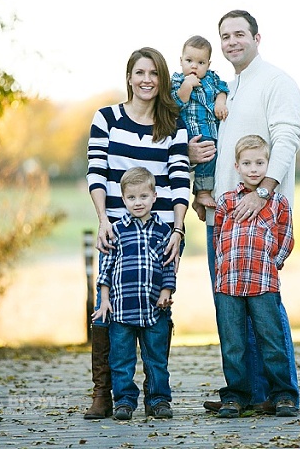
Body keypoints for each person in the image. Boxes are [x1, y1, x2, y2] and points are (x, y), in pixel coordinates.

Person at [189, 10, 300, 414]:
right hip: (223, 215)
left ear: (257, 38)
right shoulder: (229, 88)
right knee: (231, 312)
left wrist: (264, 191)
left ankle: (283, 392)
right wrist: (202, 191)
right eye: (225, 36)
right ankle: (250, 393)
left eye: (240, 34)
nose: (232, 42)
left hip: (260, 213)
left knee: (265, 308)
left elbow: (287, 138)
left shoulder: (276, 82)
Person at [85, 47, 190, 420]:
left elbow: (180, 178)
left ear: (162, 79)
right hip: (117, 229)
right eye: (140, 72)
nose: (147, 80)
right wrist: (103, 220)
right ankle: (105, 393)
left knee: (159, 309)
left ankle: (156, 396)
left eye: (154, 73)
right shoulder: (107, 118)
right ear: (129, 77)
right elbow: (96, 171)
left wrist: (178, 230)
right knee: (108, 309)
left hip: (162, 233)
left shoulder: (172, 123)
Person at [213, 135, 298, 418]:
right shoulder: (226, 202)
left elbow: (286, 237)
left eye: (260, 163)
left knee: (271, 340)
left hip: (263, 283)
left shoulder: (278, 203)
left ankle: (283, 395)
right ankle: (236, 396)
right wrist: (222, 267)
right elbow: (218, 238)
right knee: (233, 344)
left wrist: (273, 264)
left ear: (268, 165)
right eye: (247, 163)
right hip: (229, 283)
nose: (253, 169)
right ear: (237, 166)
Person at [92, 167, 177, 421]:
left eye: (143, 196)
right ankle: (124, 401)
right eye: (131, 197)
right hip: (122, 308)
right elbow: (106, 269)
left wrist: (165, 292)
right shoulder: (116, 231)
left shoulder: (163, 231)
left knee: (156, 360)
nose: (137, 202)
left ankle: (158, 400)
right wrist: (104, 300)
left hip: (154, 309)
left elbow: (168, 266)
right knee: (121, 360)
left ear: (154, 196)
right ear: (123, 199)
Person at [171, 35, 230, 209]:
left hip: (212, 128)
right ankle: (202, 192)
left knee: (214, 159)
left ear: (208, 64)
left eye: (201, 62)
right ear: (181, 61)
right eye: (189, 61)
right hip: (192, 130)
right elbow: (176, 103)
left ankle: (200, 198)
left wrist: (220, 102)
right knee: (205, 154)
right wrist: (187, 86)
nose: (194, 66)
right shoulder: (177, 80)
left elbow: (223, 89)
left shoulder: (212, 78)